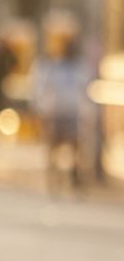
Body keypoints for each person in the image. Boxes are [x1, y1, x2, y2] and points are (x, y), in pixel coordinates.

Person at [31, 33, 89, 193]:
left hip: (72, 111)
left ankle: (74, 176)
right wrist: (41, 108)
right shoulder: (52, 66)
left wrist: (87, 111)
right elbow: (42, 88)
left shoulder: (79, 67)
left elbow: (85, 90)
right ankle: (53, 177)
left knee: (75, 147)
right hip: (55, 112)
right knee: (53, 146)